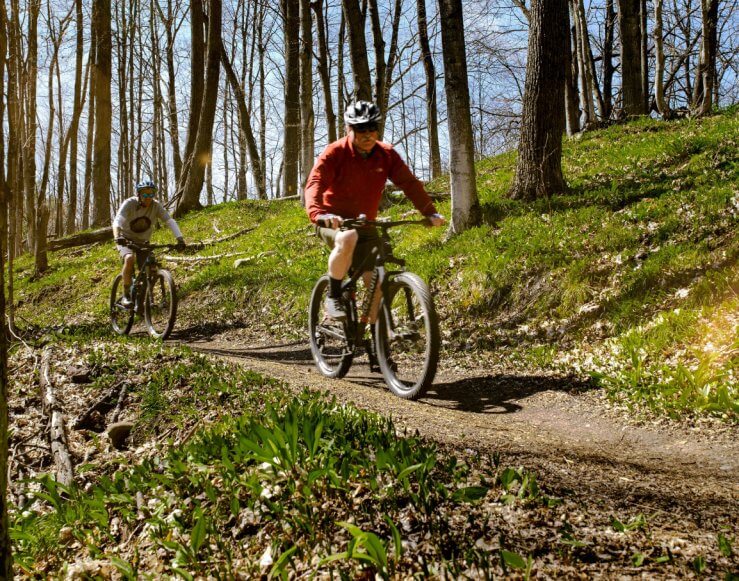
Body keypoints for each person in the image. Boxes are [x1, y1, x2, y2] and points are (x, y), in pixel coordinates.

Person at [304, 100, 445, 327]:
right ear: (349, 129)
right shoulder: (335, 153)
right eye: (360, 129)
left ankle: (373, 340)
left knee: (376, 284)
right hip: (332, 221)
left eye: (372, 128)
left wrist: (430, 212)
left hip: (365, 224)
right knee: (347, 238)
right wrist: (318, 213)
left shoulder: (386, 154)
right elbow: (315, 183)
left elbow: (409, 183)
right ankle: (333, 298)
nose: (367, 134)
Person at [112, 180, 186, 306]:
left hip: (143, 242)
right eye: (145, 194)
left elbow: (169, 221)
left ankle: (145, 300)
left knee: (149, 269)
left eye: (151, 194)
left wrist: (179, 238)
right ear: (139, 194)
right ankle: (126, 295)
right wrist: (117, 236)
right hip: (125, 239)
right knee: (129, 259)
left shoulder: (156, 206)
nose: (148, 198)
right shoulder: (130, 203)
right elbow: (117, 221)